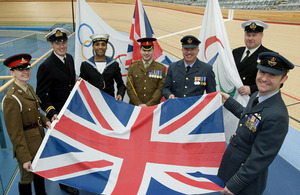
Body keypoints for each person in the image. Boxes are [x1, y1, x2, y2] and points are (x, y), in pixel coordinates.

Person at [218, 52, 294, 195]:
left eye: (272, 75)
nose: (264, 78)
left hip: (244, 182)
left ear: (284, 79)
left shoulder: (277, 115)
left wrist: (235, 184)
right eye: (262, 72)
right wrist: (229, 102)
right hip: (232, 165)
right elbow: (250, 120)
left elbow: (260, 158)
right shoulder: (257, 95)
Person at [36, 28, 79, 194]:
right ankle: (64, 182)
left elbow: (68, 85)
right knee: (63, 150)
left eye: (64, 42)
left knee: (72, 146)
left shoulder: (69, 58)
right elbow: (42, 94)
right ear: (51, 44)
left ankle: (74, 175)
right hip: (58, 115)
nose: (61, 45)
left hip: (71, 112)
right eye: (57, 43)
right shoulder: (46, 66)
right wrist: (52, 112)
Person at [2, 54, 51, 195]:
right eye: (20, 69)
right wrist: (24, 158)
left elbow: (36, 112)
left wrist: (45, 120)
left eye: (27, 68)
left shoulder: (28, 88)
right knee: (26, 179)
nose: (25, 72)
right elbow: (15, 134)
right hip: (26, 145)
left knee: (39, 174)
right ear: (12, 73)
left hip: (38, 139)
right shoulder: (12, 99)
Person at [162, 35, 216, 99]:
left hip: (195, 108)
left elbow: (211, 94)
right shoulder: (173, 67)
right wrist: (169, 95)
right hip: (177, 106)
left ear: (198, 51)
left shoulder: (206, 69)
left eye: (192, 49)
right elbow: (165, 89)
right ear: (182, 50)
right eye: (186, 49)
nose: (189, 52)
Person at [80, 34, 126, 100]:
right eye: (97, 44)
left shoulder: (114, 65)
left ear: (106, 46)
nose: (100, 47)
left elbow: (121, 85)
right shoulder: (86, 65)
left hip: (109, 102)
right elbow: (82, 86)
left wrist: (120, 94)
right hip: (93, 103)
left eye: (103, 44)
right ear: (93, 46)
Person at [233, 20, 273, 96]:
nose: (250, 38)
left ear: (261, 35)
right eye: (248, 35)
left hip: (254, 99)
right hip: (234, 96)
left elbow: (276, 83)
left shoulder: (269, 56)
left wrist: (252, 89)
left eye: (254, 35)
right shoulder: (236, 52)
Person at [126, 37, 166, 106]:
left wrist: (148, 105)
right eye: (144, 50)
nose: (146, 53)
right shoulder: (133, 67)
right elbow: (129, 88)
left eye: (149, 50)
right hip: (135, 107)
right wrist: (139, 104)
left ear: (153, 50)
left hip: (153, 108)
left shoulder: (160, 68)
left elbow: (160, 89)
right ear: (140, 50)